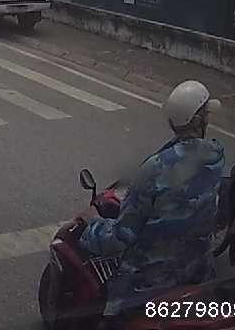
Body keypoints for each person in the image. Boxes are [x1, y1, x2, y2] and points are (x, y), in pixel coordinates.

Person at [80, 80, 225, 321]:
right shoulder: (215, 155)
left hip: (148, 282)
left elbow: (120, 237)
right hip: (197, 270)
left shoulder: (154, 168)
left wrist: (92, 224)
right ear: (201, 120)